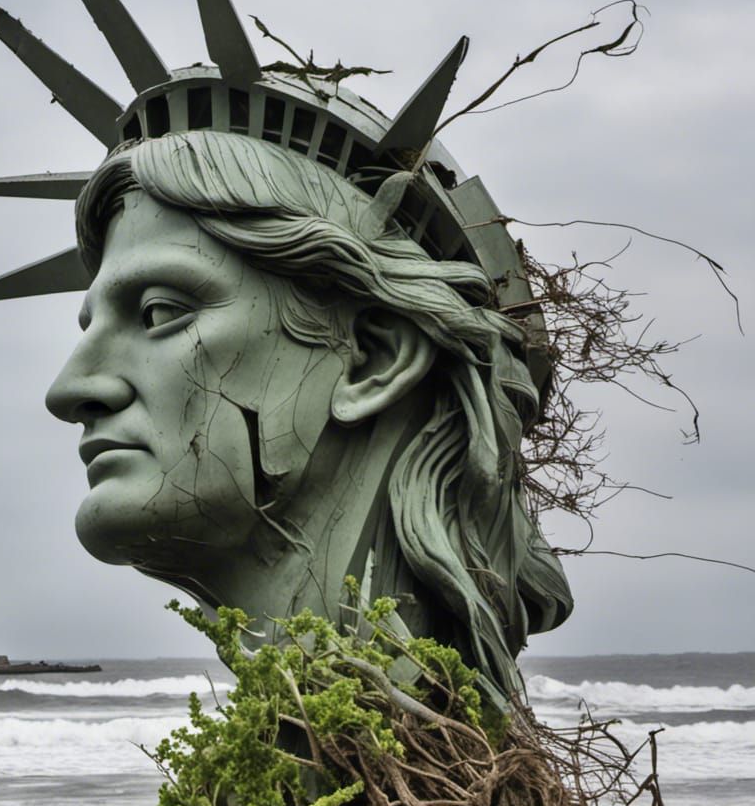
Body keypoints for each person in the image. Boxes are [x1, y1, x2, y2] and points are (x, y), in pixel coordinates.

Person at [44, 130, 571, 705]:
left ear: (372, 358)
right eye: (89, 327)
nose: (69, 390)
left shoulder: (406, 782)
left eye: (161, 312)